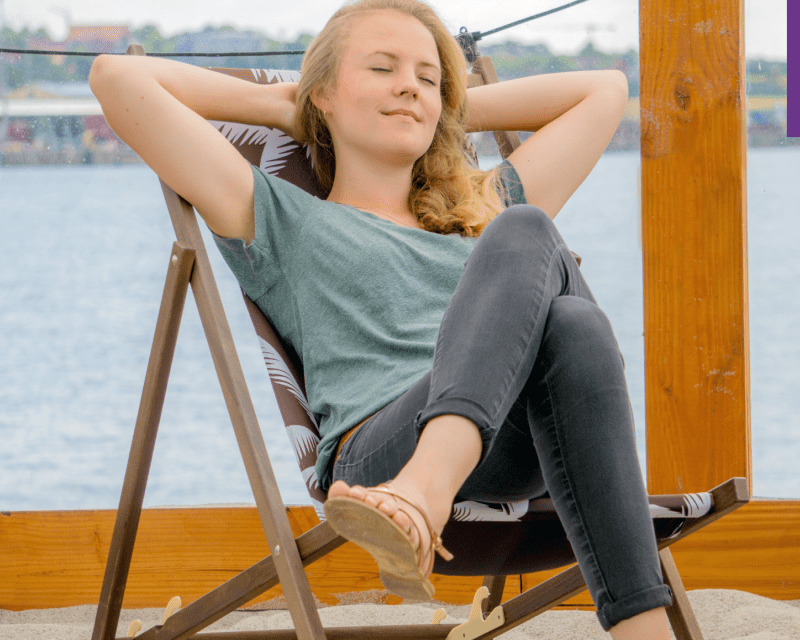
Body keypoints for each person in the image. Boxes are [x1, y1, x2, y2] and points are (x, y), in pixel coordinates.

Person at [90, 1, 671, 637]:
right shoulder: (280, 217)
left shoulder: (478, 207)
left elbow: (603, 90)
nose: (409, 86)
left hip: (505, 451)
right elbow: (117, 81)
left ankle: (430, 492)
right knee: (536, 245)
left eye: (428, 77)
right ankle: (432, 494)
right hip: (380, 456)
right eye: (383, 68)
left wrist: (437, 110)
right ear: (324, 97)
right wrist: (291, 104)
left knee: (565, 307)